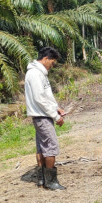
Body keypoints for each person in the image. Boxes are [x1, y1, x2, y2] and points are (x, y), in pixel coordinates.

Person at [25, 46, 67, 191]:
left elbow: (46, 96)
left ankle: (42, 178)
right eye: (52, 62)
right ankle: (50, 181)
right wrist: (56, 116)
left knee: (42, 147)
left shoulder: (39, 73)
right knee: (51, 147)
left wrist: (56, 107)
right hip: (42, 116)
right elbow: (39, 99)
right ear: (45, 59)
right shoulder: (35, 74)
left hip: (42, 115)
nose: (52, 66)